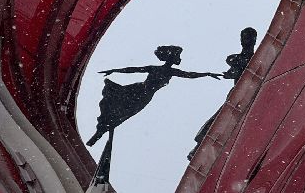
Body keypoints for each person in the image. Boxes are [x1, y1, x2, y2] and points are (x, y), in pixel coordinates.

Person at [85, 45, 219, 148]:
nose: (179, 59)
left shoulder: (170, 71)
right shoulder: (158, 69)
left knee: (124, 111)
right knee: (116, 104)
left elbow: (190, 75)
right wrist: (114, 70)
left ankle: (102, 130)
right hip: (138, 90)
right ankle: (101, 129)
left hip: (143, 95)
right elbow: (133, 69)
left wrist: (206, 74)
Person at [189, 27, 259, 159]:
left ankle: (202, 148)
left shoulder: (251, 58)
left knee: (224, 120)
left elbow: (234, 69)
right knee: (220, 120)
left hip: (247, 94)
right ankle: (200, 148)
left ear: (253, 40)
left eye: (247, 37)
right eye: (243, 37)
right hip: (238, 94)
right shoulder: (241, 58)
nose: (244, 41)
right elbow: (233, 69)